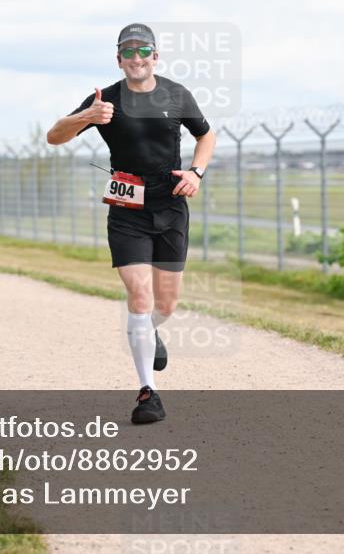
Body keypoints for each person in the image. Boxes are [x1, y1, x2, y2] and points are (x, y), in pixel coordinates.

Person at [47, 23, 216, 424]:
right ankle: (147, 392)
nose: (136, 57)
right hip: (127, 210)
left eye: (143, 51)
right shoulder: (105, 100)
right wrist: (87, 116)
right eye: (128, 51)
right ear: (119, 59)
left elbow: (206, 136)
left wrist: (196, 173)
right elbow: (54, 136)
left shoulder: (176, 94)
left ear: (155, 57)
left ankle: (148, 330)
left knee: (165, 304)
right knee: (139, 297)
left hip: (171, 205)